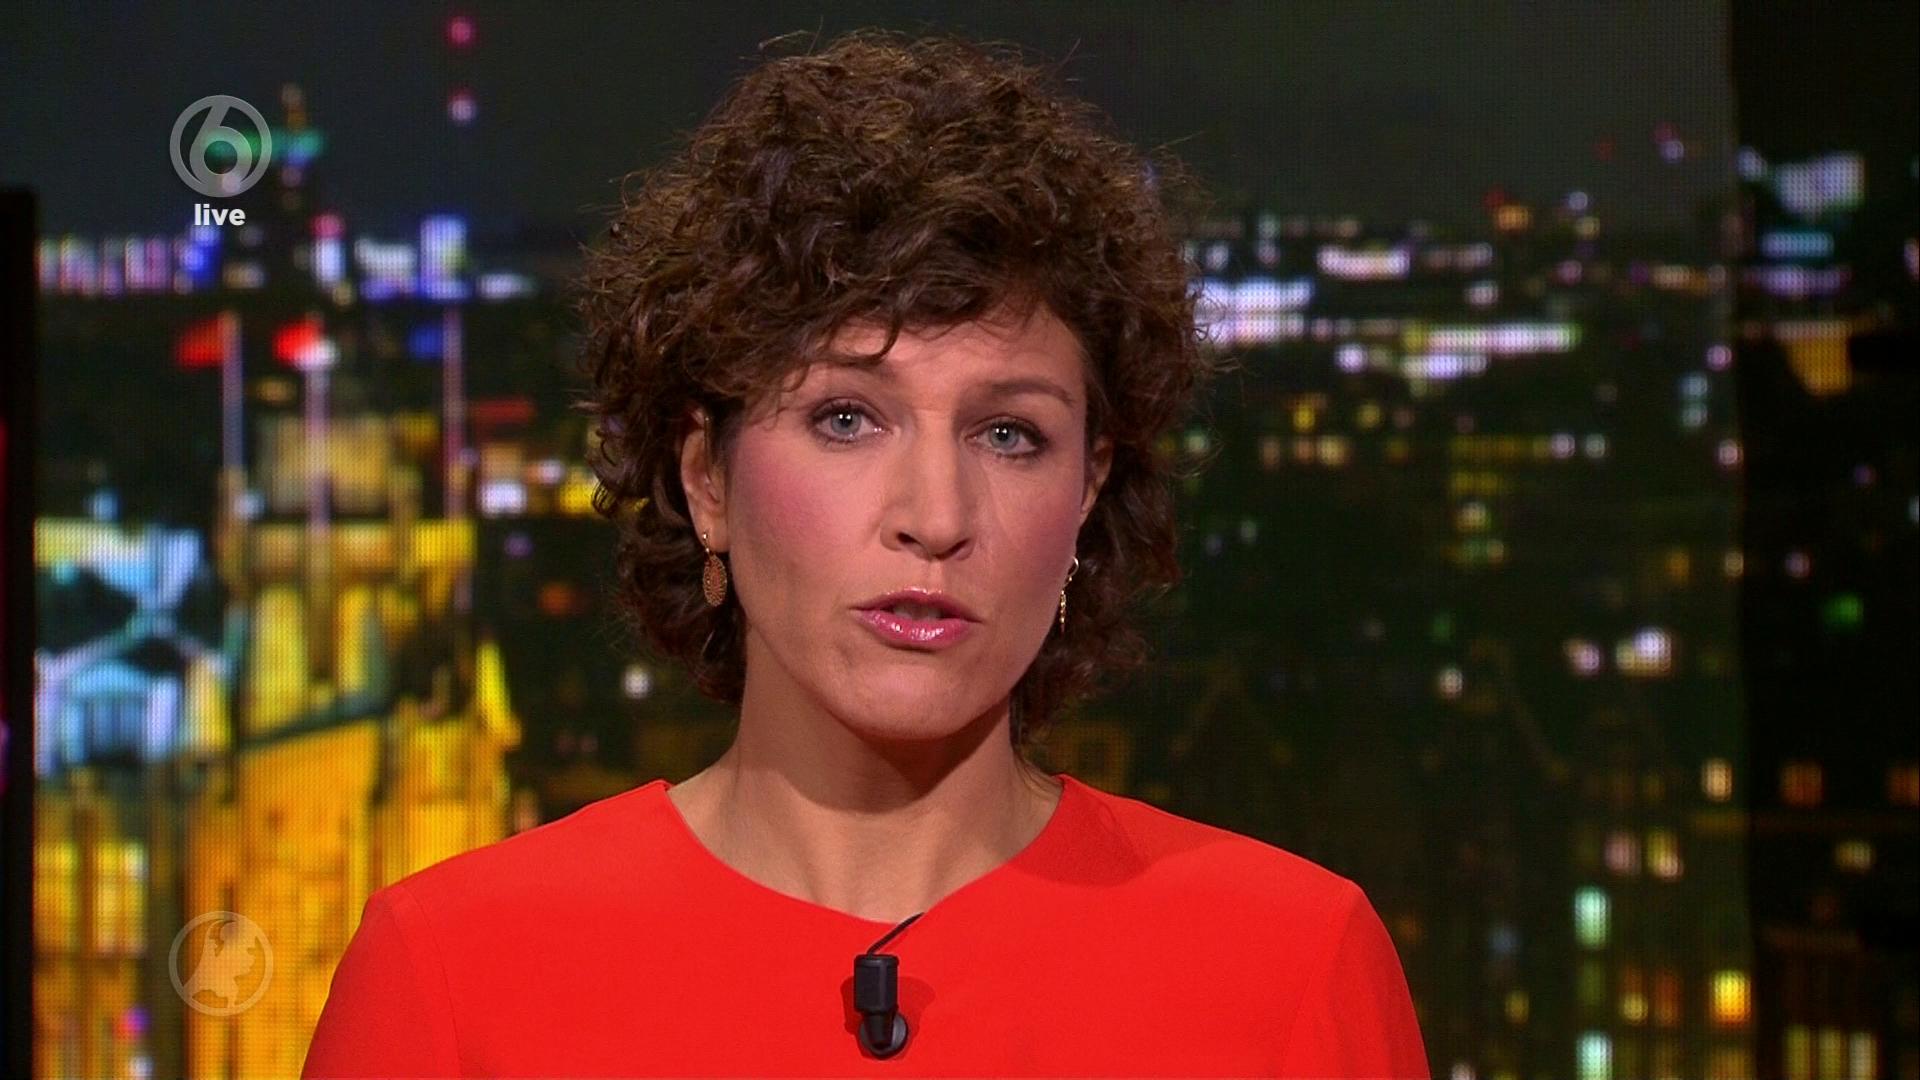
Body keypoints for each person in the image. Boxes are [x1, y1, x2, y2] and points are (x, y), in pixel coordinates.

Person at [303, 27, 1429, 1079]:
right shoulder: (450, 975)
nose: (935, 514)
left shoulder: (1293, 967)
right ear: (707, 479)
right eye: (846, 418)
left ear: (1088, 493)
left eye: (1009, 434)